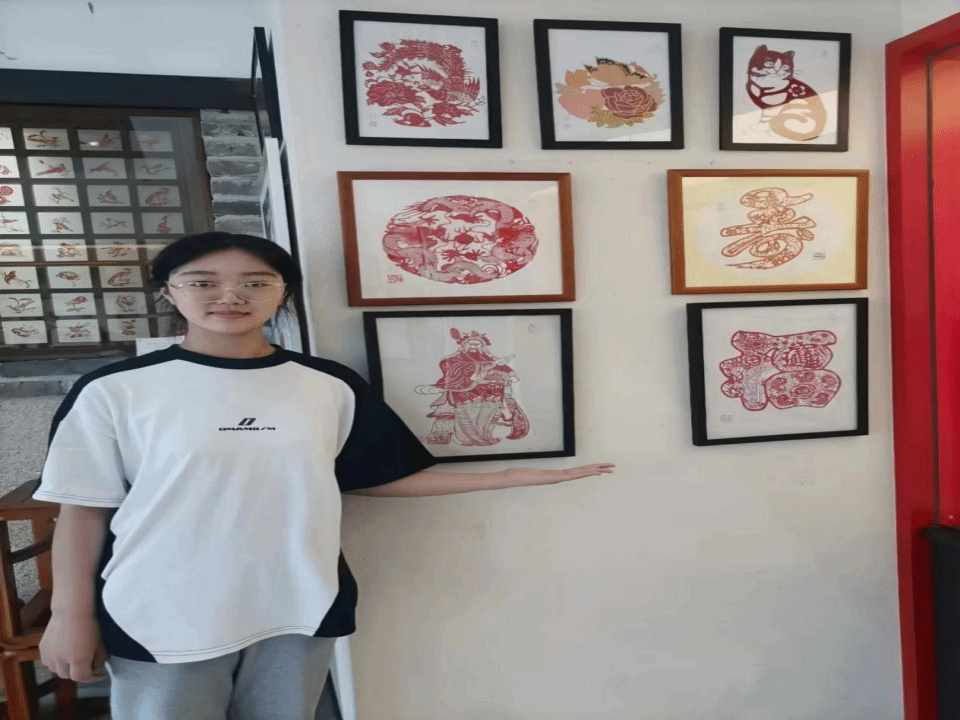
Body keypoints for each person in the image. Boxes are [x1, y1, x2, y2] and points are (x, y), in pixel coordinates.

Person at [33, 232, 614, 720]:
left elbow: (372, 475)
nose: (230, 296)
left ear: (283, 292)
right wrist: (69, 616)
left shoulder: (326, 384)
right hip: (160, 609)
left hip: (298, 603)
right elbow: (83, 510)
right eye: (203, 282)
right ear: (168, 290)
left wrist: (508, 478)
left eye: (256, 282)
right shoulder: (114, 391)